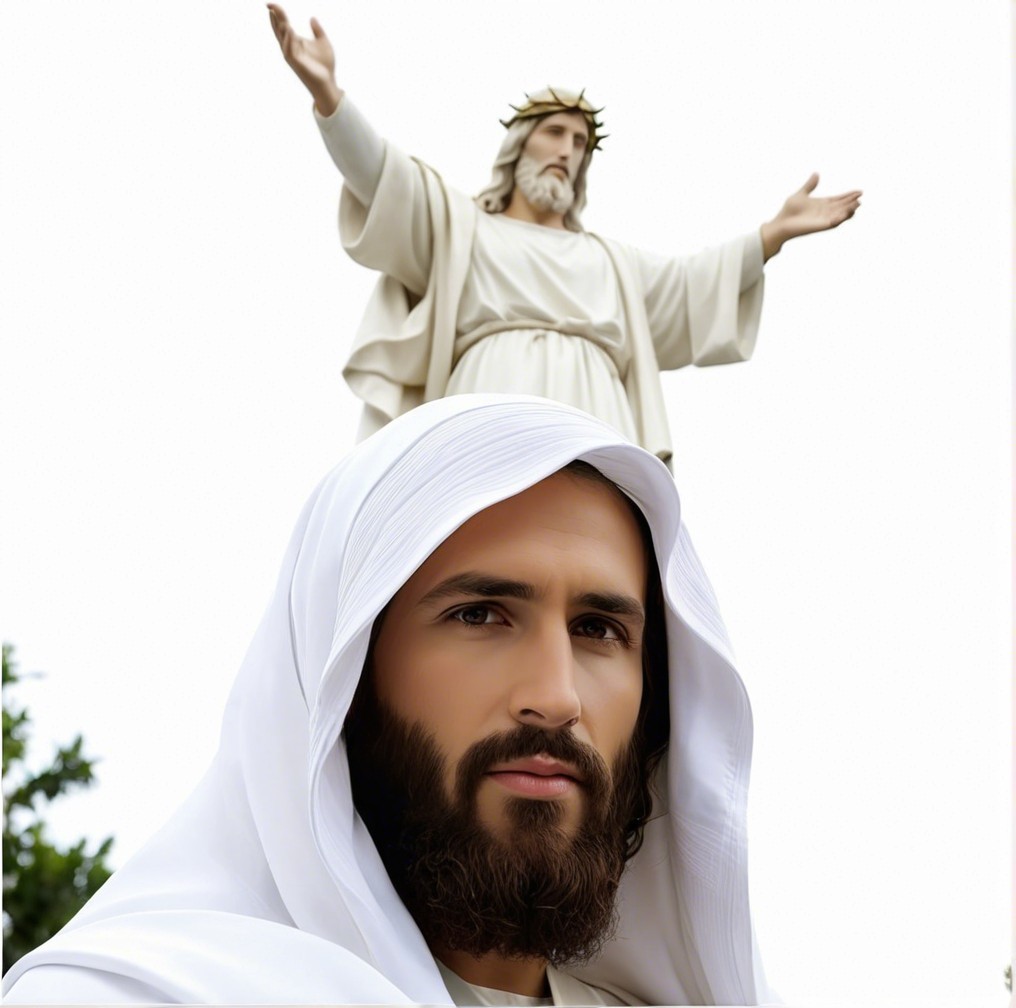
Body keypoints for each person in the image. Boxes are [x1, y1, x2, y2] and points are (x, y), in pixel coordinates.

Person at [3, 395, 773, 1005]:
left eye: (599, 629)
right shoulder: (131, 995)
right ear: (346, 675)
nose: (555, 696)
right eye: (479, 615)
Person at [267, 6, 861, 463]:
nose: (567, 151)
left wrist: (771, 235)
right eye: (554, 132)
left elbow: (693, 285)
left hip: (594, 413)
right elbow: (383, 176)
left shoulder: (610, 262)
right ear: (519, 143)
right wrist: (329, 97)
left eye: (580, 143)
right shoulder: (461, 228)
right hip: (486, 406)